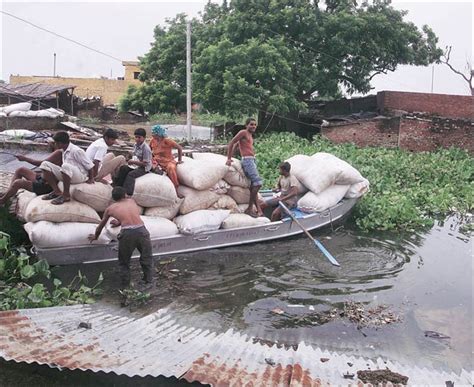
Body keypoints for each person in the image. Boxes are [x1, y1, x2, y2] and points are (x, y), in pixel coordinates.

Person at [88, 186, 154, 290]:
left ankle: (125, 286)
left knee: (124, 261)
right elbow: (130, 215)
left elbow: (100, 226)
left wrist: (96, 236)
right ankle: (148, 281)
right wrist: (119, 222)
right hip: (142, 231)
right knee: (146, 257)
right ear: (125, 195)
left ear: (114, 198)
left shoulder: (110, 209)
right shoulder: (132, 201)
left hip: (127, 234)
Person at [40, 131, 95, 205]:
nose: (55, 145)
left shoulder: (76, 150)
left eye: (56, 143)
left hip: (80, 176)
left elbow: (90, 165)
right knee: (44, 165)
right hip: (69, 173)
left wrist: (91, 178)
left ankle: (66, 195)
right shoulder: (63, 150)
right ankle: (57, 191)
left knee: (65, 166)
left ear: (60, 143)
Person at [226, 117, 263, 217]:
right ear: (246, 125)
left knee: (253, 185)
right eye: (251, 124)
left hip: (252, 160)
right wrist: (228, 158)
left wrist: (232, 156)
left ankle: (258, 209)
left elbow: (237, 145)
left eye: (255, 125)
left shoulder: (250, 135)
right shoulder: (243, 132)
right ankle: (249, 208)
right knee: (258, 184)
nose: (253, 126)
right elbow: (232, 142)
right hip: (247, 160)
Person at [113, 128, 152, 196]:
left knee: (131, 175)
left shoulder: (146, 148)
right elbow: (134, 154)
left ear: (144, 138)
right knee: (123, 168)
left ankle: (128, 193)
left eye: (139, 137)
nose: (137, 139)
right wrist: (129, 158)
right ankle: (118, 188)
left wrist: (133, 162)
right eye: (136, 137)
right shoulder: (136, 145)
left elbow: (145, 164)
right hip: (136, 165)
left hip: (144, 168)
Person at [149, 124, 183, 197]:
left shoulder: (167, 141)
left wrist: (179, 160)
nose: (152, 135)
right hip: (157, 161)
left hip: (168, 161)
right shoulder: (152, 141)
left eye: (154, 133)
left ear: (159, 134)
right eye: (152, 133)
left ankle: (176, 190)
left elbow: (179, 148)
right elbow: (149, 150)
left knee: (171, 168)